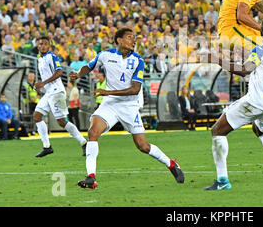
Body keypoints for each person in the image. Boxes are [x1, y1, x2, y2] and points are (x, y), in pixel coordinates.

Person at [69, 28, 184, 189]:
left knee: (143, 146)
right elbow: (89, 66)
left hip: (129, 106)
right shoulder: (105, 55)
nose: (133, 41)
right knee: (92, 133)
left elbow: (135, 89)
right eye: (130, 37)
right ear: (119, 40)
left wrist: (107, 91)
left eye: (134, 38)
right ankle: (91, 177)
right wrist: (79, 74)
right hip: (109, 104)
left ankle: (171, 163)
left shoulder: (138, 61)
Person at [203, 13, 263, 190]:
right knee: (259, 130)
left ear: (262, 29)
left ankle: (222, 181)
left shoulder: (261, 48)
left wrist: (217, 60)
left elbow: (245, 70)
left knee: (217, 131)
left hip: (256, 101)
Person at [33, 36, 87, 157]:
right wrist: (40, 85)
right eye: (40, 44)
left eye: (45, 44)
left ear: (49, 46)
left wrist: (43, 83)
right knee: (37, 116)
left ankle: (84, 143)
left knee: (62, 122)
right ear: (38, 45)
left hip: (57, 92)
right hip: (48, 93)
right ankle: (47, 147)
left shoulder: (51, 56)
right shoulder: (40, 59)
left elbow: (59, 72)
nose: (42, 46)